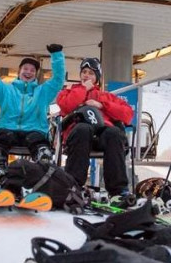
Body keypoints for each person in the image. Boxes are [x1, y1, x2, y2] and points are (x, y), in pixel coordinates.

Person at [0, 40, 65, 185]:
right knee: (1, 138)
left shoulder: (42, 92)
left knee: (36, 138)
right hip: (8, 129)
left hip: (33, 130)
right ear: (19, 71)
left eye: (32, 70)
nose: (28, 72)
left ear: (36, 74)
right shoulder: (6, 90)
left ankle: (42, 157)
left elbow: (58, 80)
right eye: (25, 69)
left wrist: (56, 55)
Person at [56, 57, 134, 206]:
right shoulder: (69, 92)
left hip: (101, 135)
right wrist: (83, 90)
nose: (86, 75)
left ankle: (118, 191)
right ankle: (74, 186)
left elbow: (128, 114)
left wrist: (102, 105)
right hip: (79, 133)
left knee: (114, 133)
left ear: (97, 78)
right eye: (84, 72)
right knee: (83, 129)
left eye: (91, 73)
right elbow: (66, 106)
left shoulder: (106, 97)